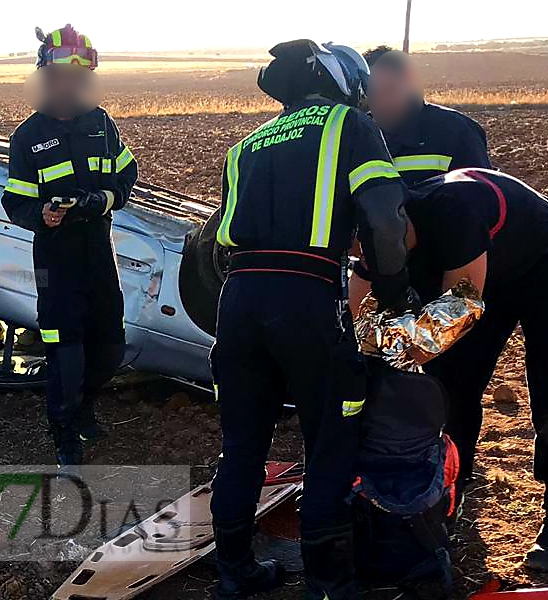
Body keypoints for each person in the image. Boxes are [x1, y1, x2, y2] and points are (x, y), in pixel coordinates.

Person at [210, 40, 414, 600]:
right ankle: (329, 583)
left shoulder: (246, 145)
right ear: (346, 83)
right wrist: (397, 296)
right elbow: (384, 216)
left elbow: (217, 242)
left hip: (241, 300)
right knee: (330, 438)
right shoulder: (348, 124)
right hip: (305, 294)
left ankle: (235, 573)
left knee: (243, 443)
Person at [348, 168, 548, 571]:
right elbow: (356, 317)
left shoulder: (454, 208)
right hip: (481, 275)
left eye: (367, 251)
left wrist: (394, 362)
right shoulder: (376, 239)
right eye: (358, 255)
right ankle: (448, 490)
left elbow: (458, 310)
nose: (364, 259)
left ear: (397, 227)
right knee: (451, 387)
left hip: (539, 263)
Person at [0, 24, 137, 468]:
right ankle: (64, 434)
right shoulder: (27, 137)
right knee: (66, 351)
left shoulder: (101, 124)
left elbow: (125, 179)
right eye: (61, 76)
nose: (69, 86)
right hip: (55, 261)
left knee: (109, 347)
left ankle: (84, 406)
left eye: (78, 78)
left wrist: (102, 200)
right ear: (45, 76)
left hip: (99, 252)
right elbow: (14, 201)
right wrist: (41, 214)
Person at [363, 46, 491, 186]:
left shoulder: (458, 133)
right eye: (373, 93)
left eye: (390, 89)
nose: (383, 102)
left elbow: (482, 199)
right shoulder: (360, 136)